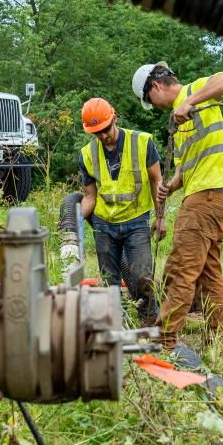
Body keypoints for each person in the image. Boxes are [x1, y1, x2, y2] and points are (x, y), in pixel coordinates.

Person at [131, 62, 223, 348]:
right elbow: (182, 171)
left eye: (149, 101)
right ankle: (218, 341)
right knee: (208, 272)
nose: (153, 106)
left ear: (155, 87)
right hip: (208, 193)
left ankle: (163, 340)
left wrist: (189, 101)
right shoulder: (179, 123)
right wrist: (170, 186)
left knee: (180, 268)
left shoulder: (194, 91)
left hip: (206, 195)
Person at [78, 97, 164, 325]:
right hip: (104, 224)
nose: (103, 136)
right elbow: (89, 197)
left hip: (136, 220)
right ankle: (113, 327)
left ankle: (148, 323)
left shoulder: (142, 143)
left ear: (114, 118)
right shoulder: (87, 154)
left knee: (142, 277)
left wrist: (160, 217)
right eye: (97, 132)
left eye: (105, 129)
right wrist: (73, 219)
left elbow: (157, 182)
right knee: (109, 282)